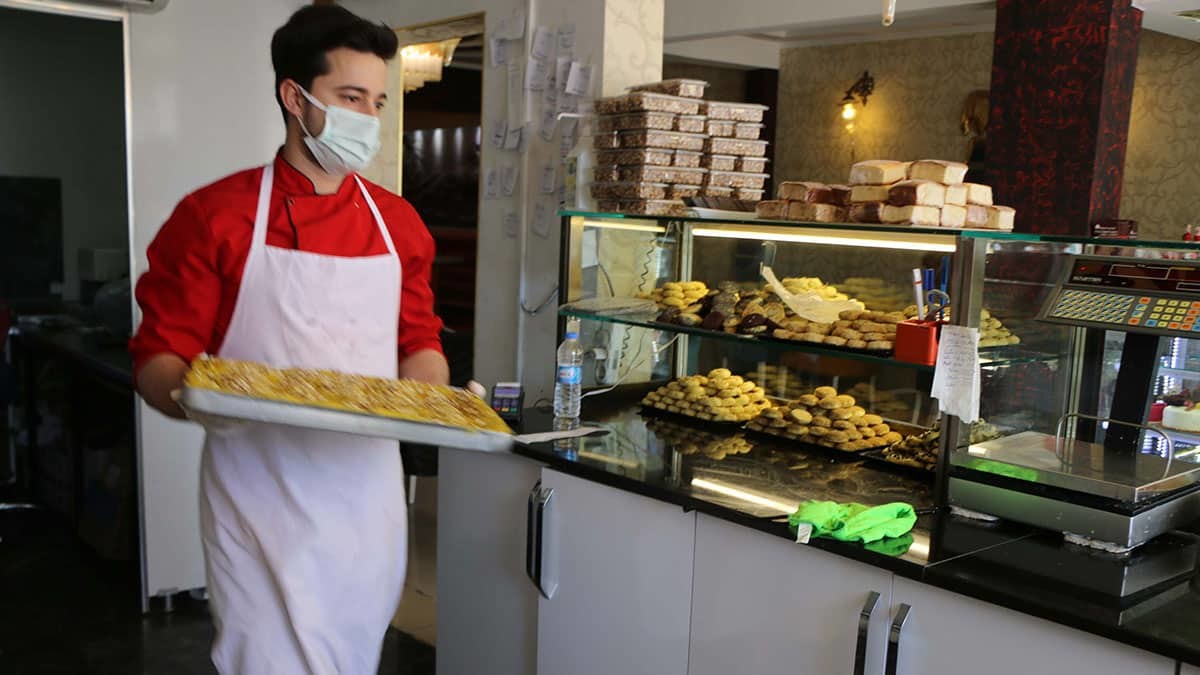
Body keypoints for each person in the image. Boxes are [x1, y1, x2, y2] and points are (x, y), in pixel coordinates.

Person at [129, 6, 447, 673]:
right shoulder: (215, 216)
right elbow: (158, 357)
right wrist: (200, 400)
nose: (369, 117)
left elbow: (420, 343)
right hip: (257, 498)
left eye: (378, 101)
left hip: (367, 503)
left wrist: (428, 399)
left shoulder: (399, 225)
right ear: (294, 97)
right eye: (351, 98)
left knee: (352, 657)